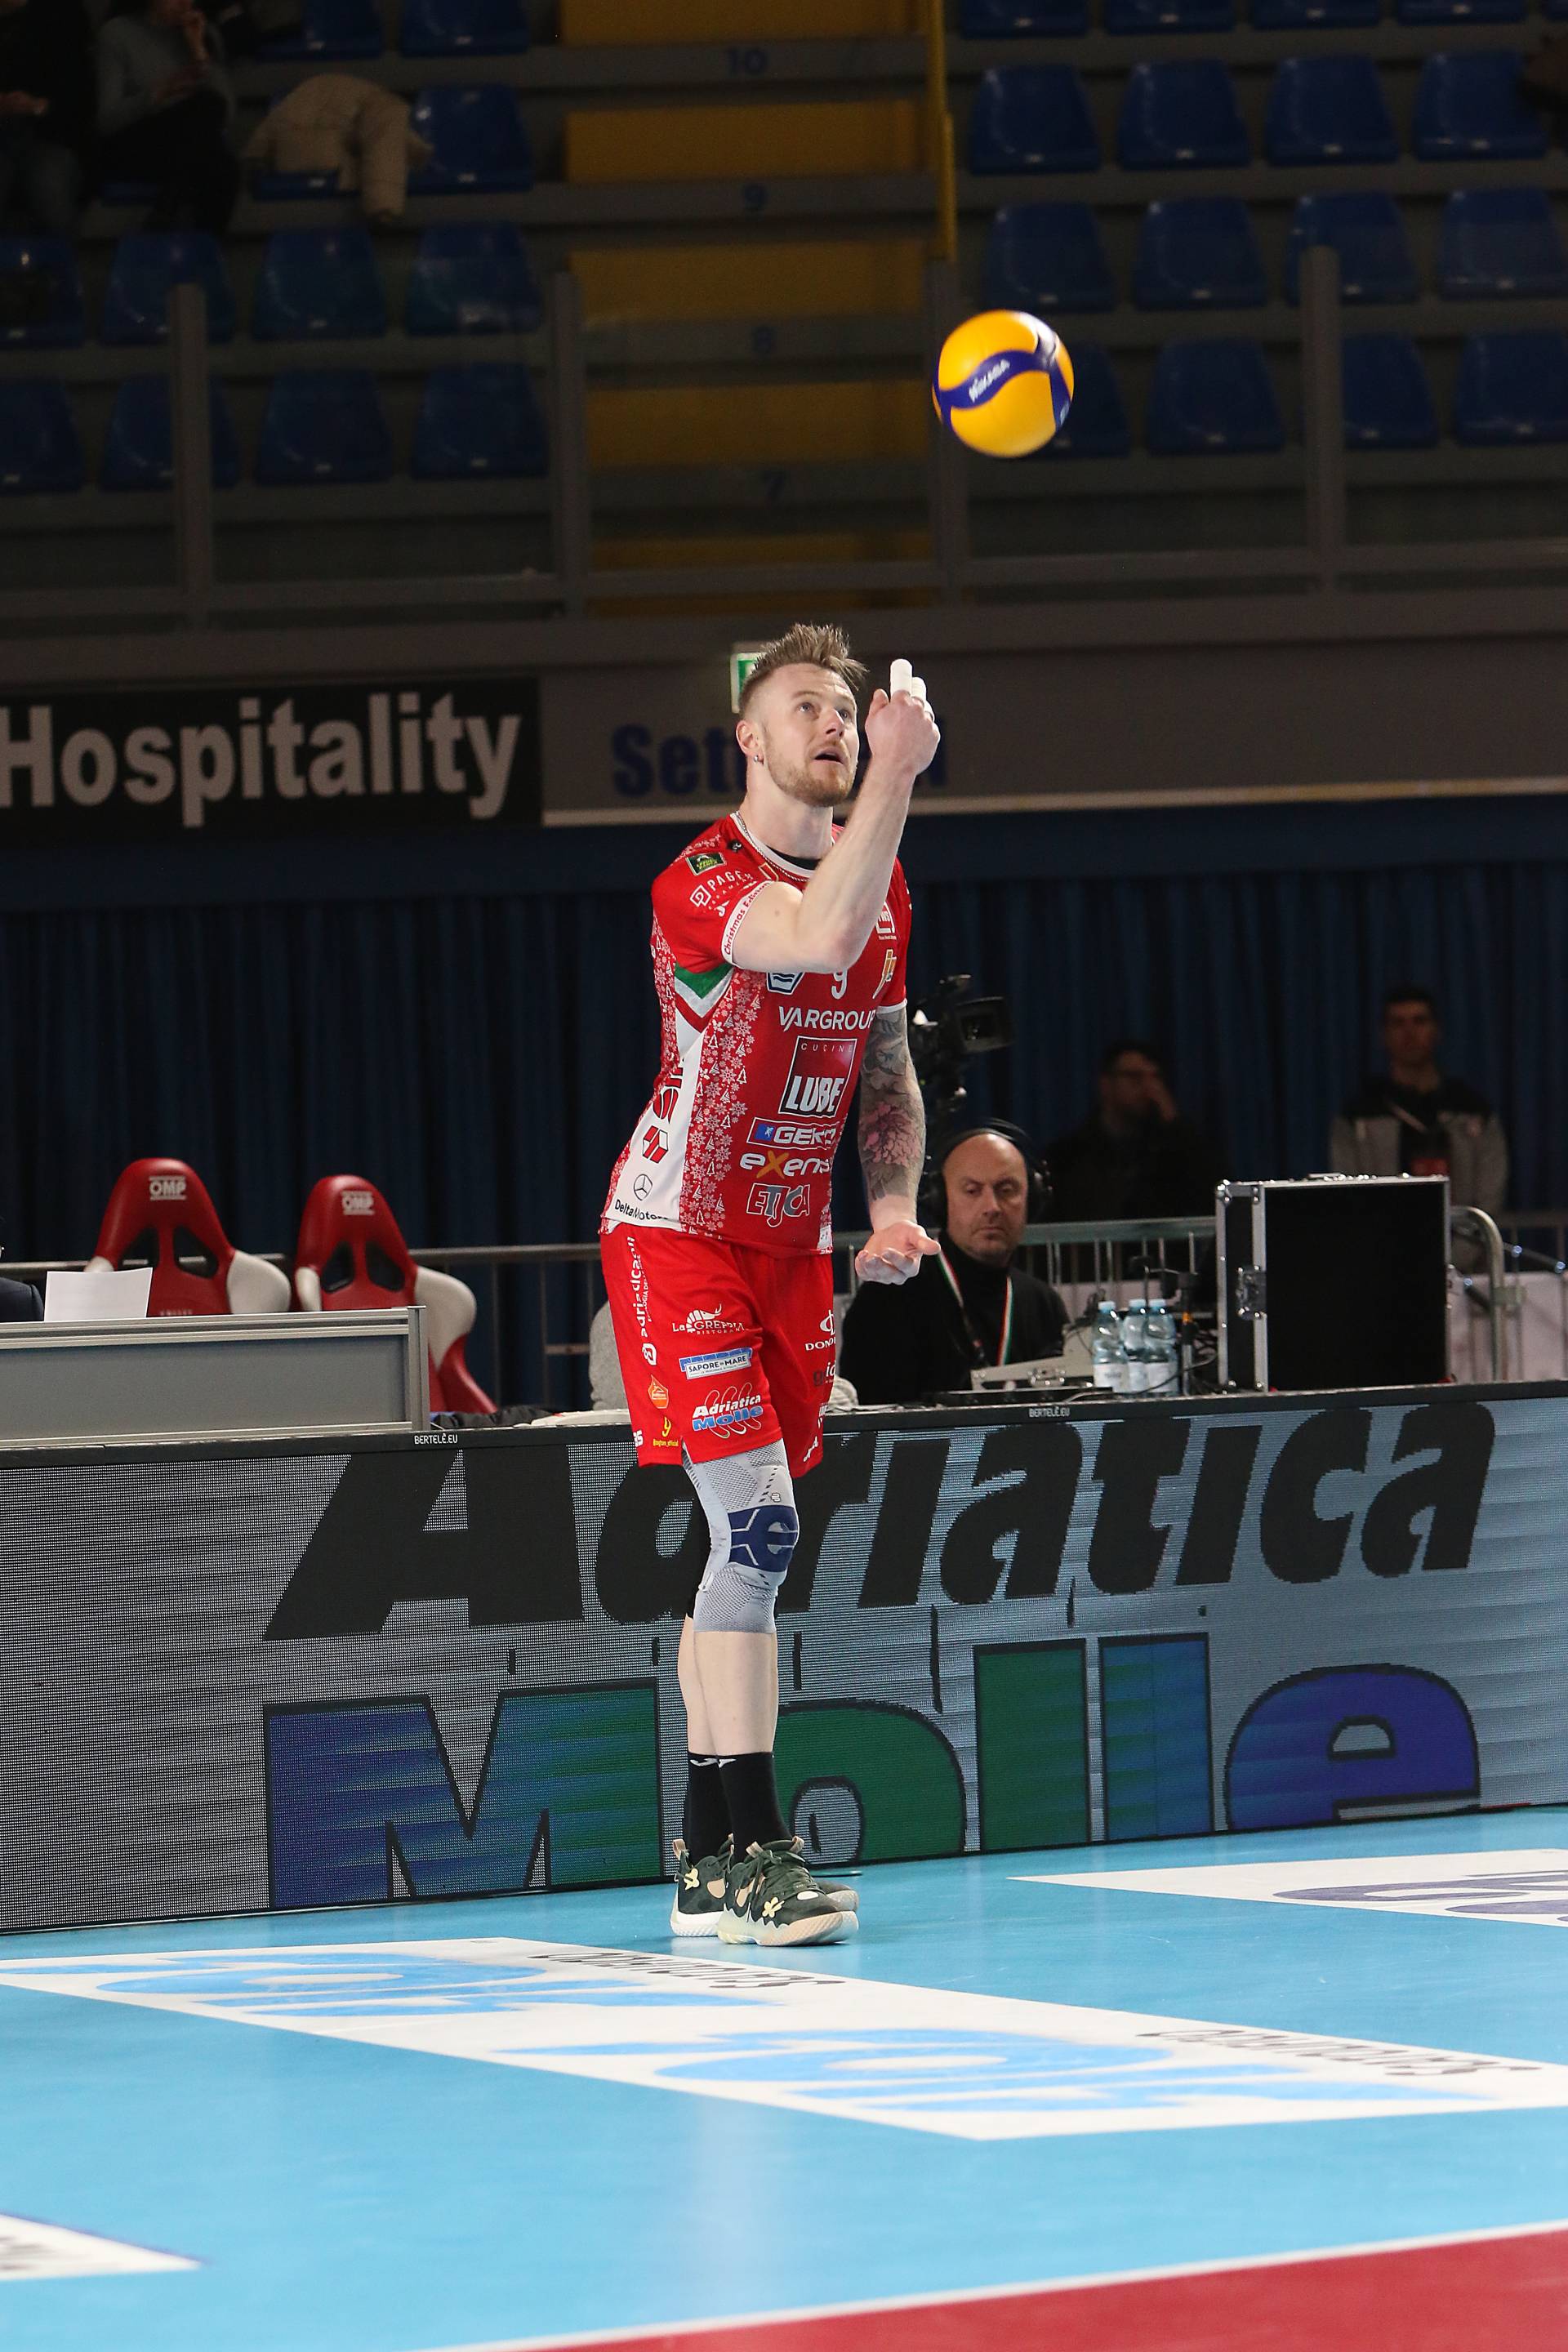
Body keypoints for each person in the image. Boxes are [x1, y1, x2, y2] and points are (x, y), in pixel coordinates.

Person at [600, 622, 940, 1949]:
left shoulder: (885, 883)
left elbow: (885, 1064)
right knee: (756, 1531)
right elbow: (812, 935)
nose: (834, 724)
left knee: (746, 1554)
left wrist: (895, 1208)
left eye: (848, 709)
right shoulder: (701, 880)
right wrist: (899, 777)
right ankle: (753, 1846)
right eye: (806, 706)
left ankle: (706, 1856)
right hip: (677, 1233)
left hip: (793, 1254)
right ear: (748, 736)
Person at [839, 1124, 1069, 1403]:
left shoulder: (1044, 1305)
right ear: (940, 1199)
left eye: (1006, 1190)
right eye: (972, 1191)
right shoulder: (889, 1296)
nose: (992, 1207)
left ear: (1033, 1198)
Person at [1331, 986, 1508, 1258]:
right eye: (1398, 1023)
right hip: (1385, 1257)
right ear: (1384, 1035)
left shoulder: (1471, 1110)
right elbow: (1349, 1193)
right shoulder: (1359, 1115)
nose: (1409, 1033)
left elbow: (1489, 1196)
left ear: (1437, 1030)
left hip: (1466, 1261)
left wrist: (1457, 1259)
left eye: (1419, 1021)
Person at [97, 0, 239, 234]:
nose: (184, 3)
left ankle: (171, 213)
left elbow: (227, 112)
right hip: (137, 141)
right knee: (204, 109)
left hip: (188, 143)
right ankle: (171, 209)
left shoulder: (202, 33)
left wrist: (198, 51)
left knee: (226, 168)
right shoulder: (117, 33)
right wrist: (159, 93)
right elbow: (107, 120)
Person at [1048, 1039, 1223, 1223]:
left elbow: (1211, 1192)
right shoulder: (1069, 1156)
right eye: (1135, 1077)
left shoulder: (1170, 1150)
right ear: (1106, 1084)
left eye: (1155, 1077)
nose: (1148, 1087)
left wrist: (1174, 1123)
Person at [0, 0, 94, 238]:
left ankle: (66, 257)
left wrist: (37, 106)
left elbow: (81, 97)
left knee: (48, 182)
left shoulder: (61, 16)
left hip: (51, 134)